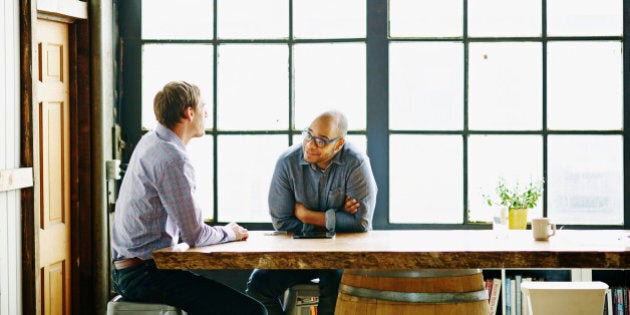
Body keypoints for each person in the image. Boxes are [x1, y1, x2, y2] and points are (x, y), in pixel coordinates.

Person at [111, 81, 267, 315]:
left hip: (127, 270)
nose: (206, 113)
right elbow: (194, 235)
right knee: (254, 312)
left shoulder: (151, 141)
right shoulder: (172, 158)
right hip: (145, 275)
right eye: (203, 106)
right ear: (189, 112)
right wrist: (231, 232)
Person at [246, 110, 378, 315]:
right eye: (308, 135)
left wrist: (308, 216)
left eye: (321, 141)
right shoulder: (287, 162)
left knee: (336, 284)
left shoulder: (356, 164)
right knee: (258, 284)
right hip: (298, 253)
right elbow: (281, 221)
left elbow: (361, 223)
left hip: (341, 256)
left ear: (339, 144)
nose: (310, 144)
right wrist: (335, 216)